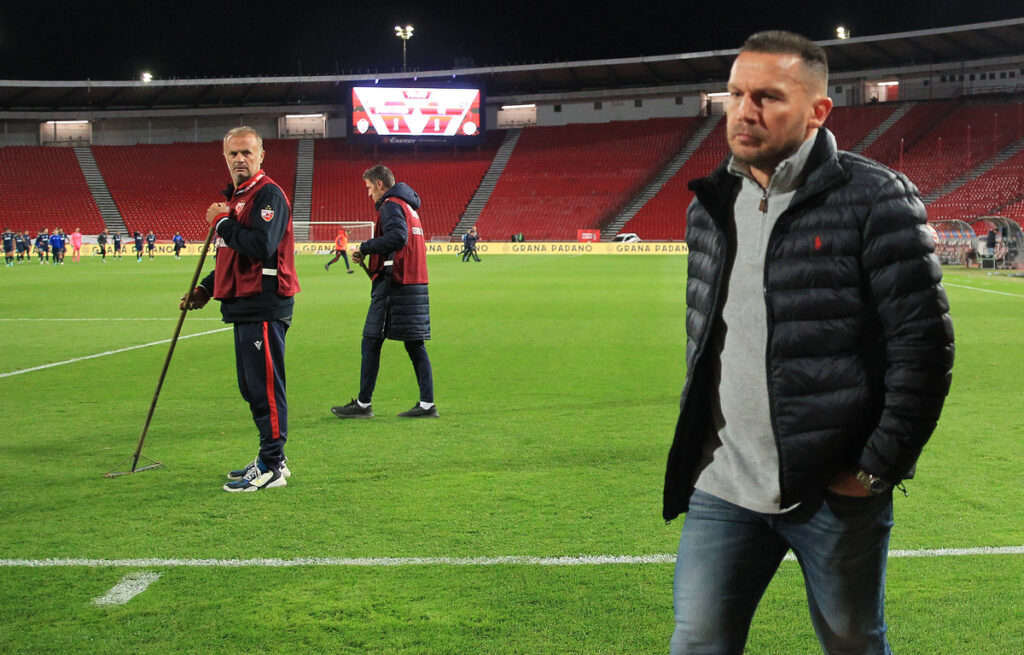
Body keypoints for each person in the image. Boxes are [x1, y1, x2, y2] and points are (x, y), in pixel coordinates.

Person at [663, 31, 955, 655]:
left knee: (852, 642)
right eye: (736, 93)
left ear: (818, 110)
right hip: (725, 483)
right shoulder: (711, 202)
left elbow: (924, 351)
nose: (744, 110)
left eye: (767, 96)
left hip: (833, 490)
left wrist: (875, 470)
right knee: (697, 642)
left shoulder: (875, 198)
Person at [180, 126, 300, 492]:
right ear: (225, 158)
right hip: (243, 304)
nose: (240, 159)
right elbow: (232, 258)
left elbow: (261, 244)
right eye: (233, 154)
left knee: (264, 387)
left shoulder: (268, 195)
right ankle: (271, 457)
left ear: (261, 156)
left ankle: (271, 465)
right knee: (251, 387)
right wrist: (205, 287)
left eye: (247, 152)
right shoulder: (238, 198)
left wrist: (221, 221)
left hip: (264, 303)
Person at [331, 164, 438, 419]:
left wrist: (366, 247)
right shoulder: (409, 206)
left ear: (380, 184)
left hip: (395, 284)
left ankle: (363, 404)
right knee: (414, 344)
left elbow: (398, 237)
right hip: (414, 282)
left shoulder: (391, 204)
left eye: (369, 188)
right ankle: (426, 404)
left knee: (371, 340)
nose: (369, 194)